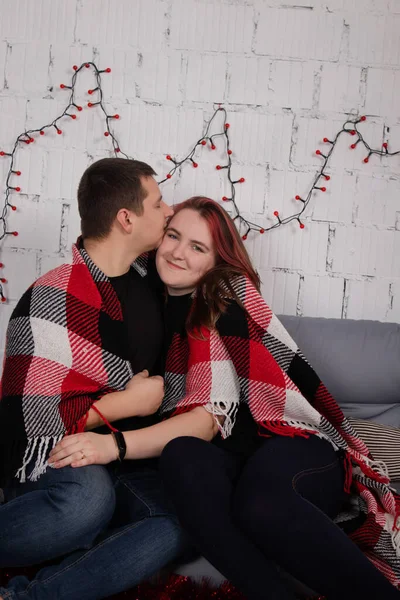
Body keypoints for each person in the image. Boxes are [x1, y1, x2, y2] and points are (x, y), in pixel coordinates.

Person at [44, 196, 400, 600]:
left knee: (259, 503)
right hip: (229, 460)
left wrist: (113, 445)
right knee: (181, 455)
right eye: (173, 236)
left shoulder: (221, 299)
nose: (178, 252)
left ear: (217, 261)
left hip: (291, 448)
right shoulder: (141, 301)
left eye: (197, 247)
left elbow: (207, 418)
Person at [0, 158, 187, 600]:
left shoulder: (157, 281)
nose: (169, 210)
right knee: (88, 500)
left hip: (129, 456)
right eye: (158, 202)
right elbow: (22, 426)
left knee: (180, 521)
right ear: (126, 218)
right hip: (53, 461)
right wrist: (128, 404)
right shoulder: (50, 297)